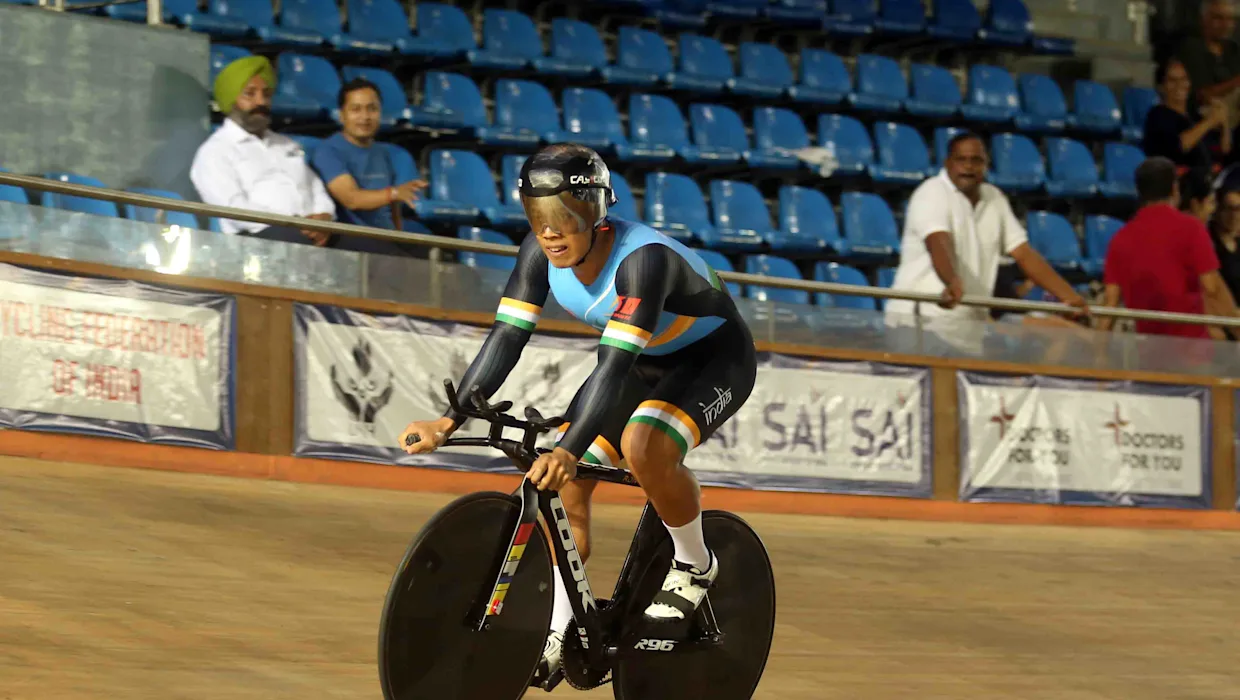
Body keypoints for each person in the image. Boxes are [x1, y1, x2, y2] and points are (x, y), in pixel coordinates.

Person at [396, 143, 756, 691]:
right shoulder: (537, 255)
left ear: (596, 212)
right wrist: (450, 420)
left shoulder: (643, 261)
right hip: (641, 361)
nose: (552, 232)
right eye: (539, 218)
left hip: (711, 360)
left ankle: (694, 563)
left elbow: (611, 367)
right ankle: (565, 628)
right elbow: (507, 338)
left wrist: (568, 450)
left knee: (643, 444)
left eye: (565, 215)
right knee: (565, 485)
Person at [191, 57, 410, 257]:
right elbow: (234, 210)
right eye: (250, 94)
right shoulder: (214, 152)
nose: (261, 102)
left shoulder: (286, 144)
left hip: (312, 230)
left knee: (391, 255)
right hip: (257, 238)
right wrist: (294, 223)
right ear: (231, 100)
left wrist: (324, 217)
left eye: (266, 94)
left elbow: (314, 187)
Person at [885, 132, 1087, 321]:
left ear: (986, 165)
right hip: (920, 318)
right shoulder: (931, 192)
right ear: (948, 163)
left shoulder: (995, 197)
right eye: (961, 160)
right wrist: (951, 281)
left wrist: (1068, 296)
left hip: (969, 322)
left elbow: (1023, 253)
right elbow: (938, 241)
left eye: (976, 160)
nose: (968, 167)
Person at [1098, 156, 1240, 337]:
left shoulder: (1119, 239)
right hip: (1193, 350)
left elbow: (1111, 304)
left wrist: (1099, 353)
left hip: (1149, 351)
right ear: (1175, 189)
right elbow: (1212, 288)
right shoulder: (1191, 228)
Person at [311, 78, 428, 230]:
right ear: (341, 115)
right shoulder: (328, 151)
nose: (365, 117)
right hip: (352, 239)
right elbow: (351, 199)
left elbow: (393, 209)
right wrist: (394, 193)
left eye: (372, 109)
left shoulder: (384, 152)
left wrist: (399, 238)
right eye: (356, 109)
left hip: (386, 238)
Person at [1142, 59, 1231, 171]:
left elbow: (1224, 150)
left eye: (1184, 79)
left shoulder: (1195, 117)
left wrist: (1224, 120)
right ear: (1161, 86)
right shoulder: (1157, 116)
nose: (1179, 85)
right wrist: (1210, 121)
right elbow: (1177, 147)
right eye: (1172, 80)